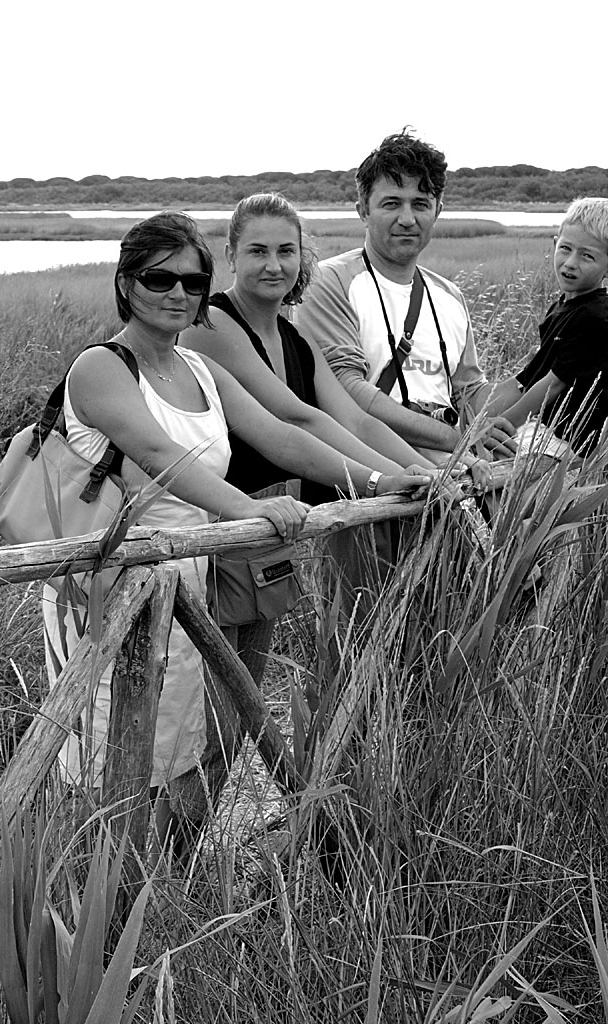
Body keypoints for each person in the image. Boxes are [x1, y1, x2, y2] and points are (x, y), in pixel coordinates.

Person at [41, 211, 432, 848]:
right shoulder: (102, 367)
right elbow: (162, 460)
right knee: (114, 750)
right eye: (158, 279)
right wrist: (246, 511)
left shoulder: (200, 369)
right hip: (116, 584)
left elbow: (283, 436)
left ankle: (164, 880)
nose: (176, 294)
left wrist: (378, 481)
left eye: (193, 283)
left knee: (194, 736)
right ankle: (97, 888)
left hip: (193, 578)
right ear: (124, 282)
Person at [181, 193, 470, 821]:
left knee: (239, 706)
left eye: (287, 251)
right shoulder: (211, 323)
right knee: (204, 715)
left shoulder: (292, 335)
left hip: (265, 530)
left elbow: (355, 417)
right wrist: (387, 480)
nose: (273, 264)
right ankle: (161, 865)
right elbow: (293, 418)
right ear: (229, 254)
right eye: (256, 250)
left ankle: (186, 864)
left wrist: (431, 472)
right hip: (210, 527)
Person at [295, 130, 517, 460]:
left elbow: (469, 390)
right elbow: (346, 390)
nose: (407, 219)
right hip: (363, 472)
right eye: (391, 204)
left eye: (420, 204)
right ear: (363, 211)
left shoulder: (449, 296)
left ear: (438, 210)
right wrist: (455, 439)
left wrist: (535, 387)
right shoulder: (329, 282)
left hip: (451, 467)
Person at [486, 197, 608, 455]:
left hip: (568, 438)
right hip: (542, 424)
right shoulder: (563, 306)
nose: (571, 263)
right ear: (555, 244)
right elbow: (530, 376)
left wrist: (504, 425)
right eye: (566, 248)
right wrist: (483, 415)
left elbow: (555, 383)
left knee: (487, 462)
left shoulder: (597, 317)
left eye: (587, 256)